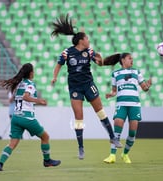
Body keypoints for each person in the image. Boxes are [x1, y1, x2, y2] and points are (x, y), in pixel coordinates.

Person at [50, 14, 122, 160]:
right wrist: (55, 76)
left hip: (89, 85)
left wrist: (100, 59)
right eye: (87, 38)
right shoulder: (67, 52)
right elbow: (59, 64)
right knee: (79, 118)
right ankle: (81, 147)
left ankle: (112, 137)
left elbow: (99, 63)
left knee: (100, 112)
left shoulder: (89, 52)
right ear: (81, 40)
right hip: (75, 88)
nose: (89, 40)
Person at [0, 63, 61, 171]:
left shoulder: (19, 84)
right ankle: (47, 161)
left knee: (12, 143)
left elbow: (23, 99)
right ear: (31, 73)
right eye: (33, 71)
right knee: (45, 137)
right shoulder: (30, 84)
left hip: (16, 118)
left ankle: (0, 164)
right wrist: (39, 100)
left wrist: (37, 102)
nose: (34, 73)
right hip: (27, 118)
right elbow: (26, 97)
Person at [102, 53, 152, 164]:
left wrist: (148, 85)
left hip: (134, 105)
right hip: (121, 104)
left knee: (132, 133)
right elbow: (114, 90)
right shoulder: (115, 74)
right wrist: (111, 94)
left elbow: (144, 88)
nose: (132, 60)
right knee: (117, 128)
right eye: (130, 58)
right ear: (123, 60)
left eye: (132, 59)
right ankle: (112, 155)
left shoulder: (136, 72)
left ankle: (125, 154)